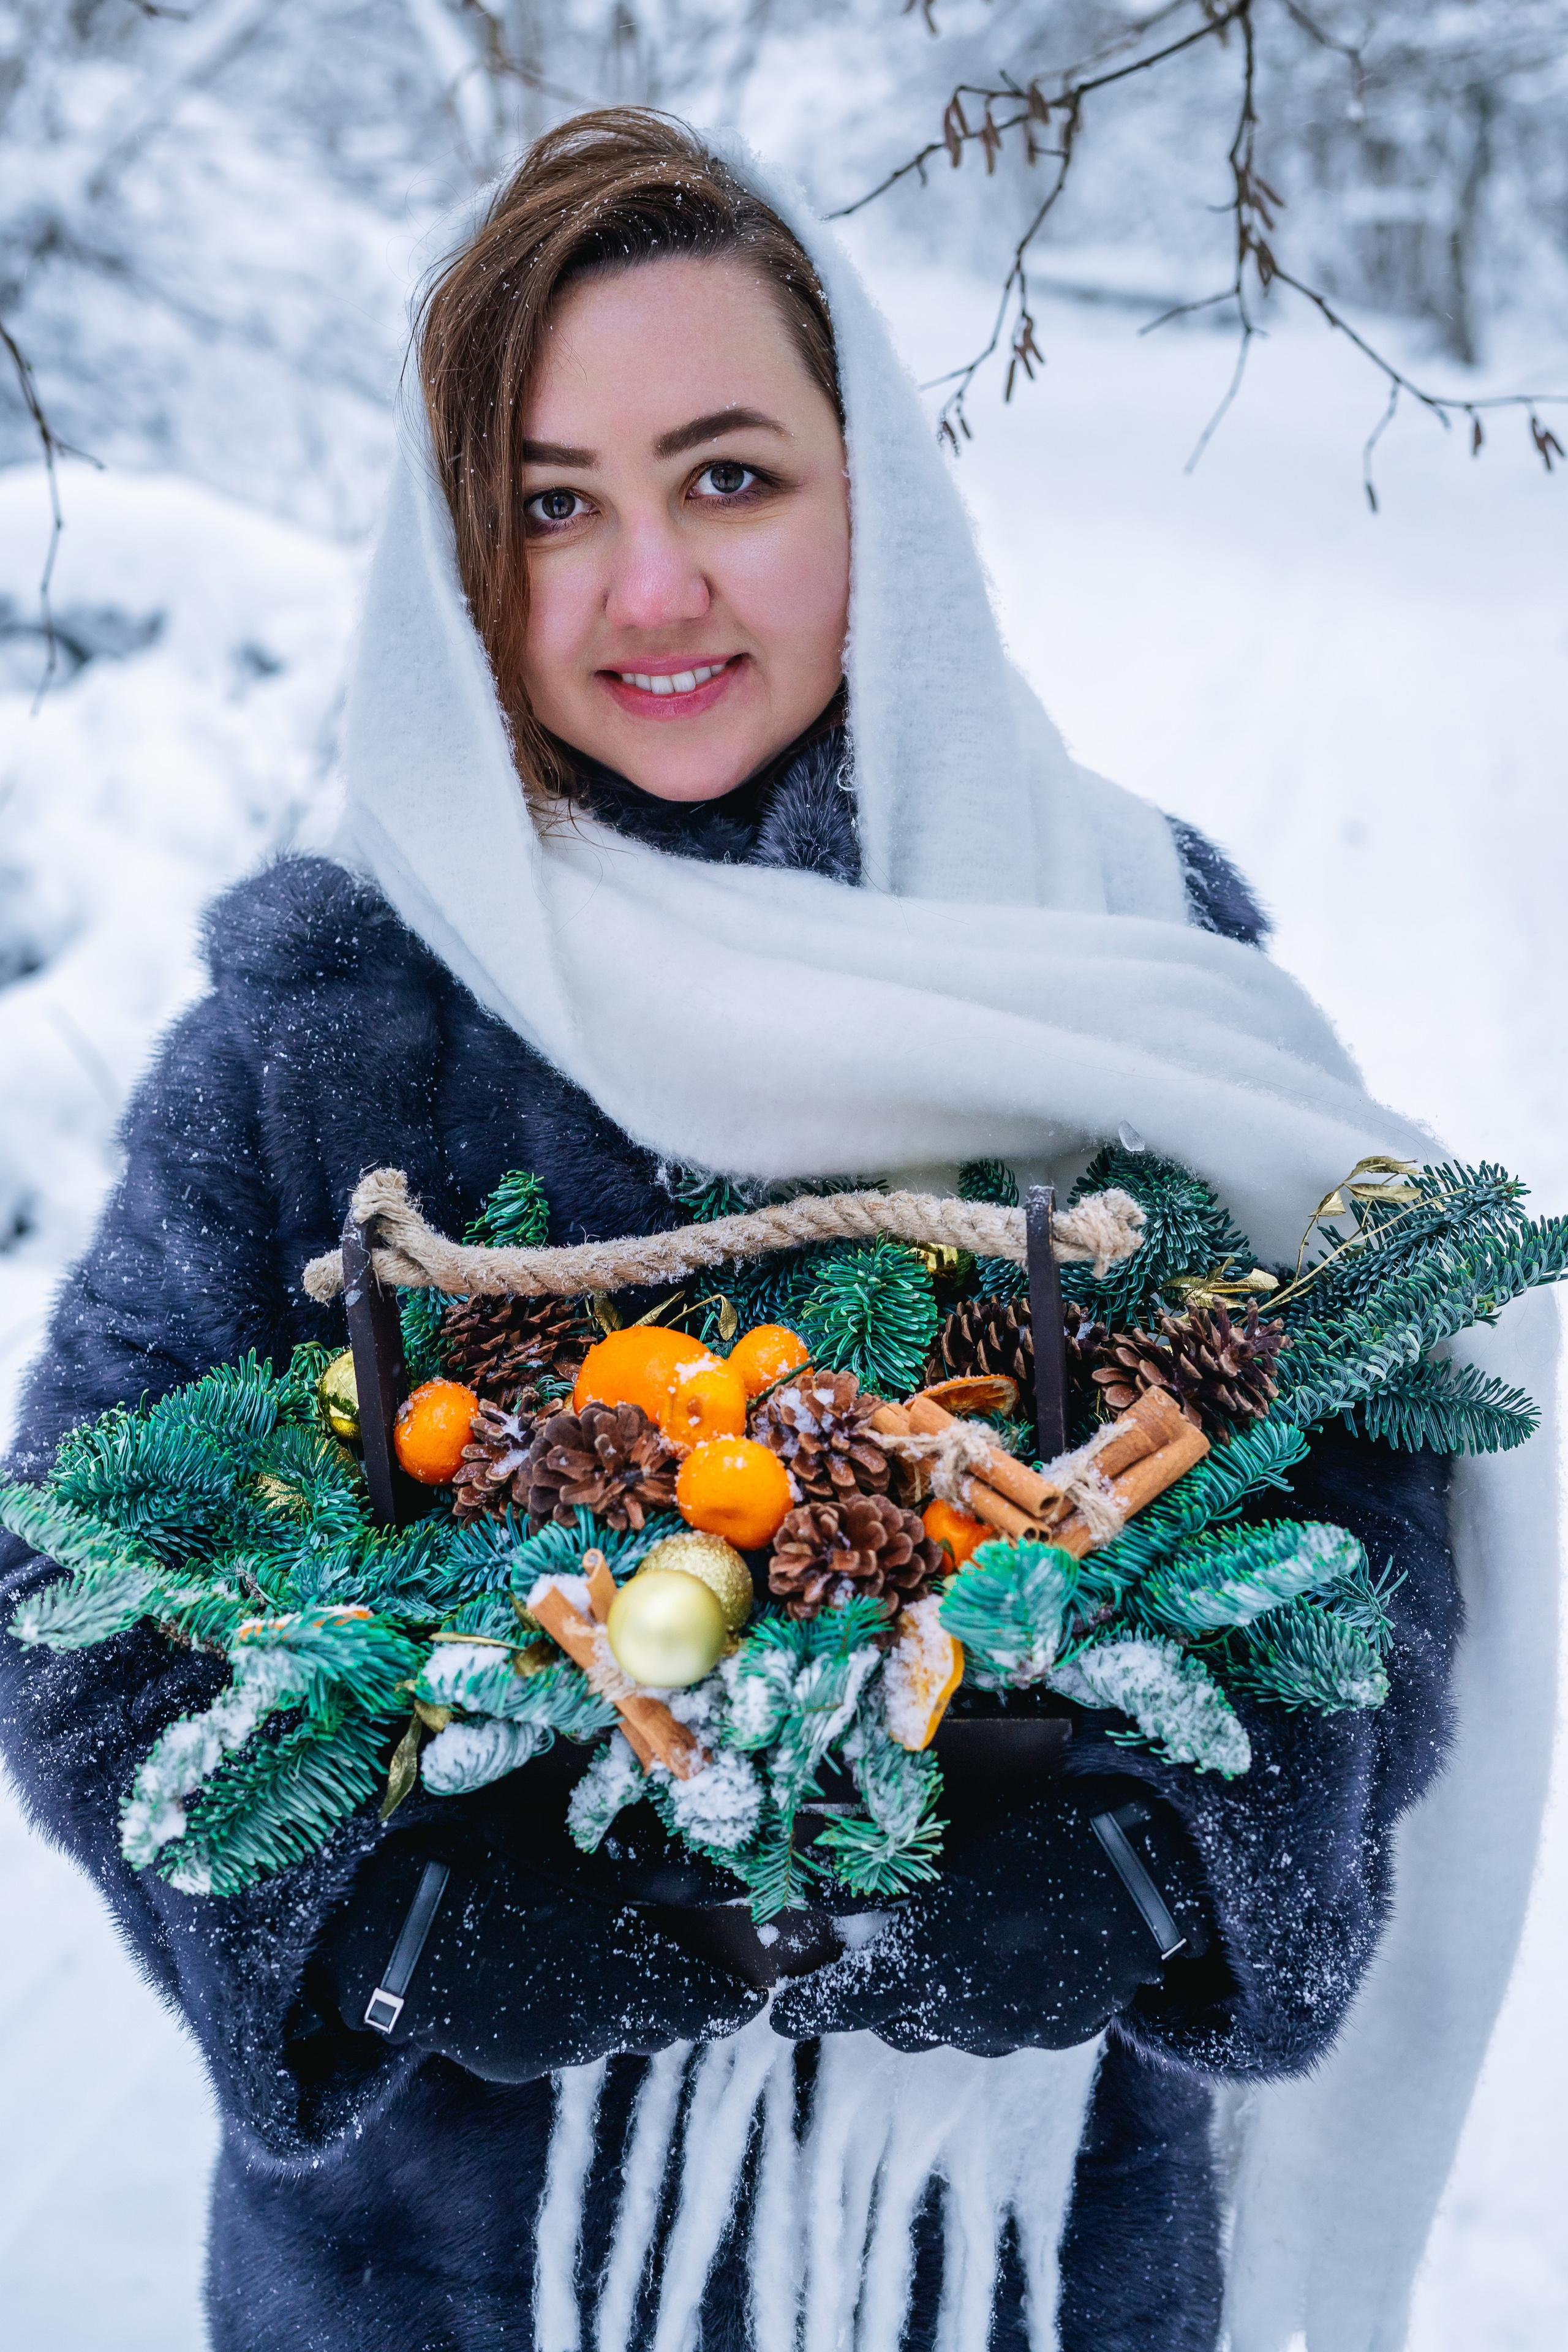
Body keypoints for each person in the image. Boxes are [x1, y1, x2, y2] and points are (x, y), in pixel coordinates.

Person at [0, 108, 1553, 2352]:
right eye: (554, 507)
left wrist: (1158, 1863)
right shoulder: (329, 1030)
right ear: (456, 558)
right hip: (446, 2296)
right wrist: (378, 1924)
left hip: (1022, 2278)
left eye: (729, 477)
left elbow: (1361, 1490)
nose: (651, 590)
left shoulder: (1115, 944)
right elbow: (71, 1567)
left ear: (875, 503)